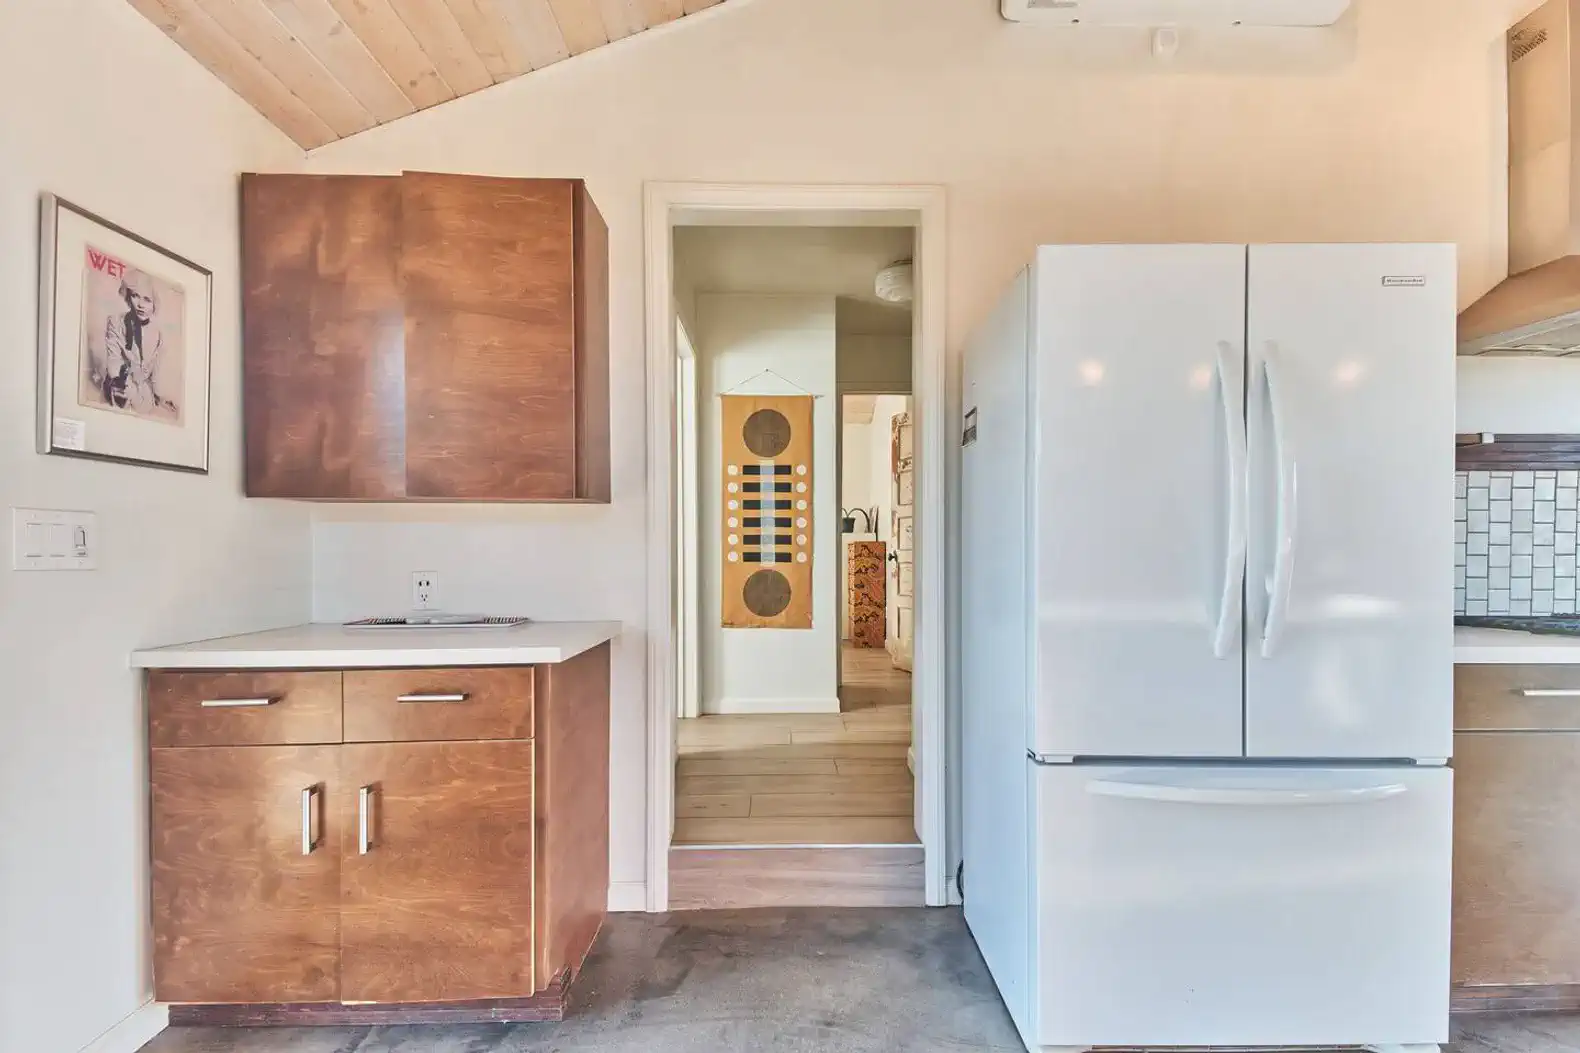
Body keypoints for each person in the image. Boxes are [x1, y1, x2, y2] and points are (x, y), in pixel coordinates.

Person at [102, 269, 175, 417]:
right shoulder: (115, 322)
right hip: (120, 391)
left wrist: (160, 397)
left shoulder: (158, 334)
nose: (141, 305)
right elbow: (114, 359)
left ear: (155, 304)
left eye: (147, 300)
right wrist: (118, 380)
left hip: (144, 398)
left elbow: (155, 374)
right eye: (136, 296)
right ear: (128, 297)